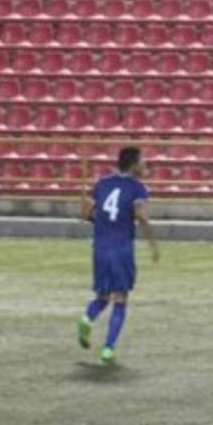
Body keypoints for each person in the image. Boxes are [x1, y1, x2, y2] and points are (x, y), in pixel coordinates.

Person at [77, 146, 160, 364]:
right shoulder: (137, 188)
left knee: (103, 295)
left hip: (100, 247)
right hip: (121, 248)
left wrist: (103, 222)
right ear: (134, 166)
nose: (146, 166)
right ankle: (108, 348)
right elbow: (141, 216)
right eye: (143, 162)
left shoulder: (102, 183)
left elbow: (86, 213)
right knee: (121, 298)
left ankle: (88, 317)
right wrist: (153, 244)